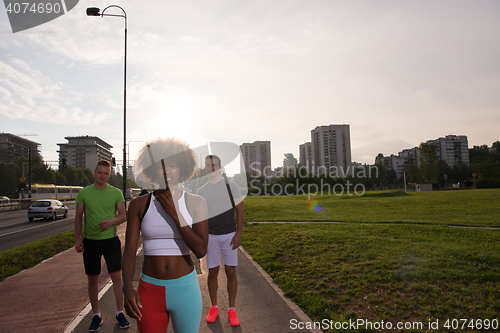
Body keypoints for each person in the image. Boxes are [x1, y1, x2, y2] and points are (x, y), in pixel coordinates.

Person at [122, 138, 208, 333]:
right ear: (152, 169)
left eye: (173, 165)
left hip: (186, 290)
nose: (167, 170)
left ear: (182, 168)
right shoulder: (138, 205)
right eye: (161, 165)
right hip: (149, 290)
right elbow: (129, 251)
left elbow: (201, 250)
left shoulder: (196, 202)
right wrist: (127, 287)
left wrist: (176, 214)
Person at [74, 160, 130, 332]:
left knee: (117, 278)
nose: (102, 176)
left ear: (109, 175)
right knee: (92, 279)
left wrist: (112, 222)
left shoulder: (115, 193)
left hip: (111, 241)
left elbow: (123, 215)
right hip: (90, 242)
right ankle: (96, 316)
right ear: (94, 172)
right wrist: (77, 239)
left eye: (106, 173)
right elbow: (78, 217)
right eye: (100, 172)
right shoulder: (84, 193)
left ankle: (120, 312)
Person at [197, 155, 244, 327]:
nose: (211, 168)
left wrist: (238, 233)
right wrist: (203, 239)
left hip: (229, 236)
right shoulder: (201, 191)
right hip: (211, 237)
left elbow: (240, 210)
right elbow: (199, 217)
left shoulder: (231, 186)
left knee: (231, 272)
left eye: (214, 165)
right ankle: (214, 307)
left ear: (220, 167)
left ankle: (231, 309)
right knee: (213, 272)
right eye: (208, 166)